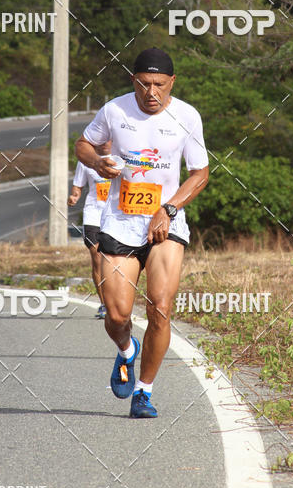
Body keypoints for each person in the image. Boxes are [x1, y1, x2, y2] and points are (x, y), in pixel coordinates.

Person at [75, 48, 209, 419]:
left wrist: (169, 209)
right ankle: (126, 351)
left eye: (160, 86)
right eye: (145, 84)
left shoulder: (186, 116)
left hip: (166, 223)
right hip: (119, 221)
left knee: (160, 309)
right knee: (117, 315)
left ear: (172, 83)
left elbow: (200, 173)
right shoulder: (114, 111)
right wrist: (97, 161)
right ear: (133, 80)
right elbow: (83, 144)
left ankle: (144, 392)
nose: (152, 93)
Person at [68, 141, 112, 318]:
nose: (107, 143)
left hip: (114, 215)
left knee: (113, 260)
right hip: (93, 212)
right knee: (96, 256)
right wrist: (74, 196)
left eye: (110, 139)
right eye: (103, 139)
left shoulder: (121, 158)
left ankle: (115, 300)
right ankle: (103, 303)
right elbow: (77, 186)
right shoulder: (86, 160)